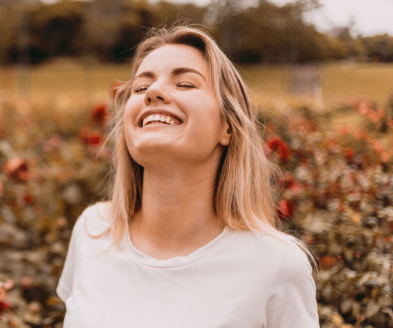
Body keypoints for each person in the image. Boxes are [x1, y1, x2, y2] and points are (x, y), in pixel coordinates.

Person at [56, 26, 319, 327]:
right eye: (140, 88)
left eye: (184, 84)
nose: (153, 92)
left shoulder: (276, 265)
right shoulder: (92, 231)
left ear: (228, 128)